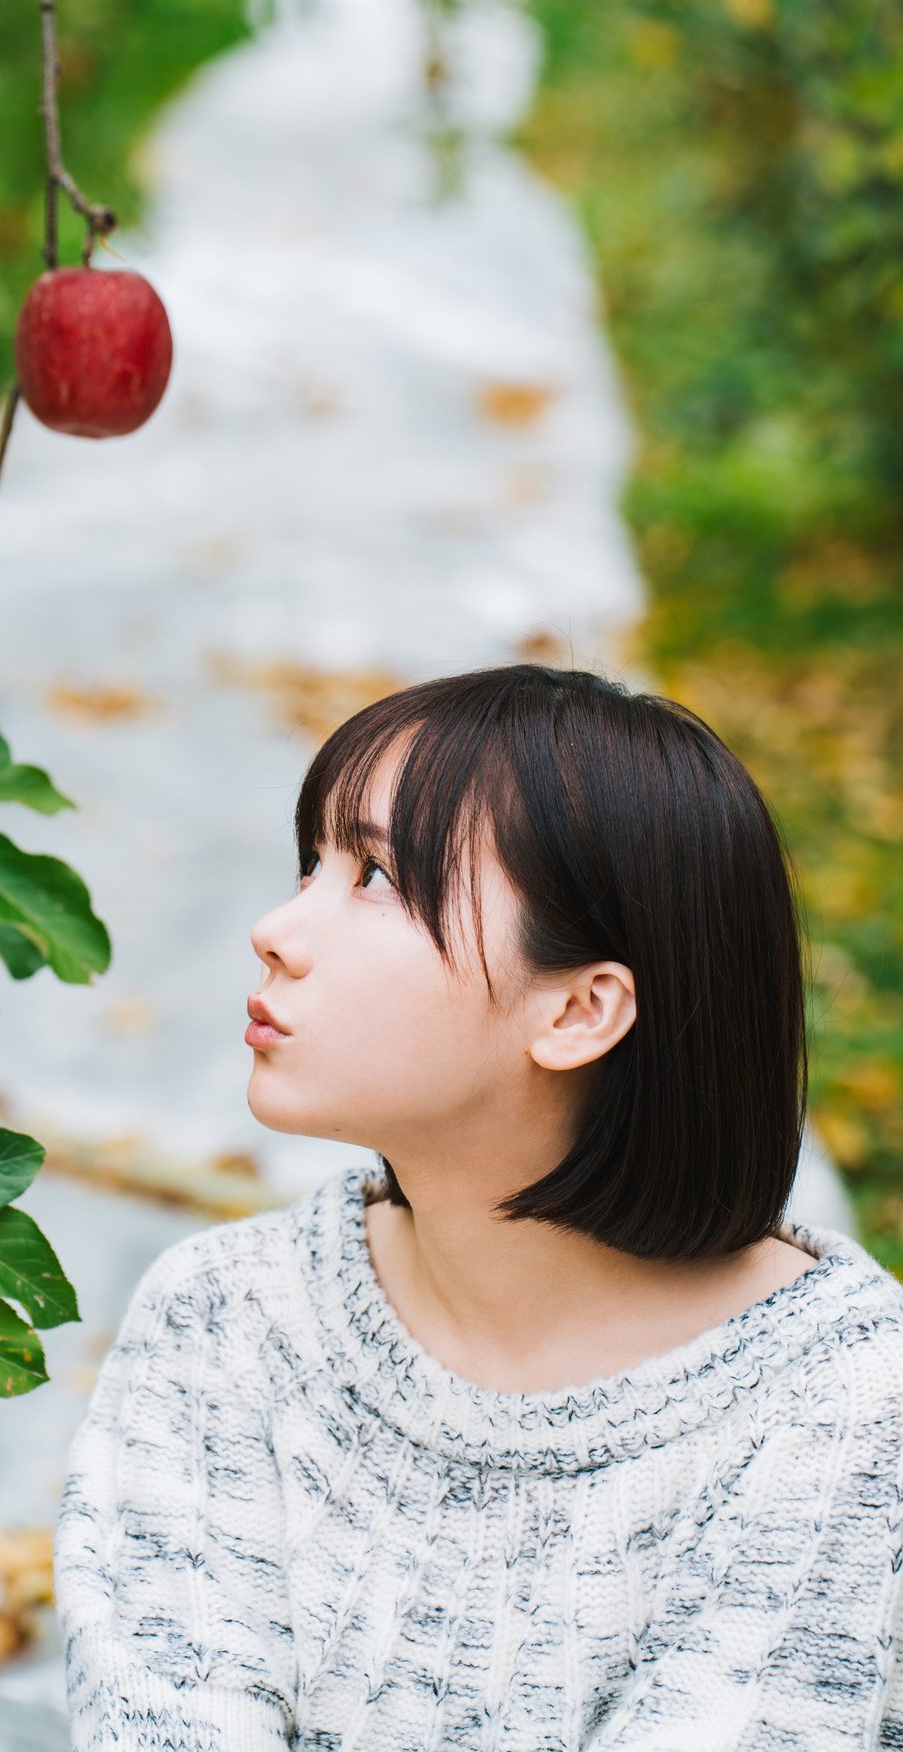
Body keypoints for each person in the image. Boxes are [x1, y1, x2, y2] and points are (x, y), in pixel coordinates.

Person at [54, 661, 903, 1750]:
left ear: (580, 1009)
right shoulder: (225, 1320)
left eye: (374, 878)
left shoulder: (844, 1410)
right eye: (312, 862)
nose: (277, 928)